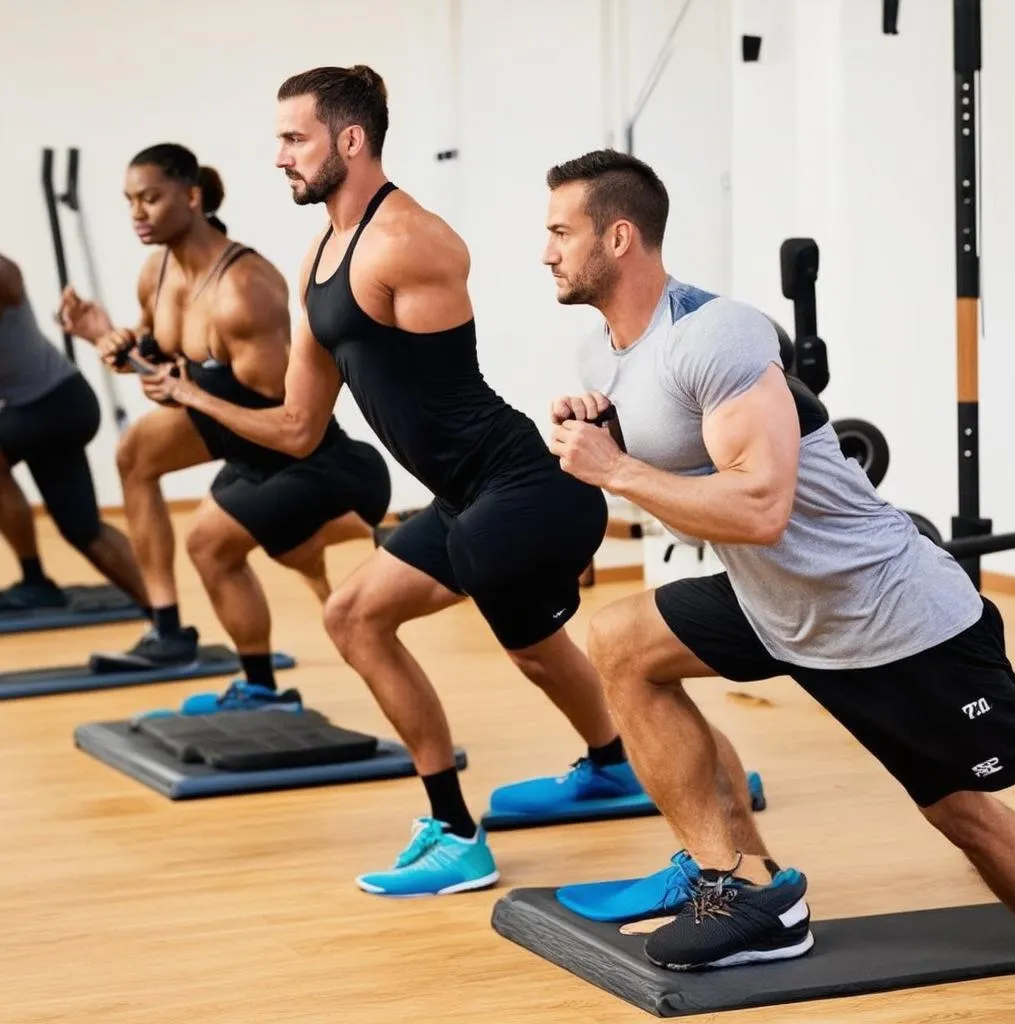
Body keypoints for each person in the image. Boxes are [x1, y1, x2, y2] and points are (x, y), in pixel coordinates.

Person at [139, 65, 767, 898]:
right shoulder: (318, 256)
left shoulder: (410, 240)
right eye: (280, 140)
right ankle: (569, 783)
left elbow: (438, 379)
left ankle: (537, 827)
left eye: (295, 138)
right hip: (472, 495)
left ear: (350, 140)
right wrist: (185, 392)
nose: (280, 157)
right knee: (443, 634)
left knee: (495, 642)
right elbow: (297, 425)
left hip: (519, 487)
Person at [542, 148, 1015, 971]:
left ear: (619, 237)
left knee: (964, 816)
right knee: (620, 642)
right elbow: (686, 469)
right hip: (778, 606)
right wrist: (610, 433)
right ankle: (741, 886)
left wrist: (614, 467)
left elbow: (760, 508)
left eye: (560, 231)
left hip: (883, 614)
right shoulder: (605, 357)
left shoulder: (717, 334)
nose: (546, 250)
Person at [59, 144, 391, 706]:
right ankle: (178, 634)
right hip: (244, 453)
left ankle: (259, 673)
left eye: (150, 198)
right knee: (141, 465)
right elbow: (156, 349)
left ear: (191, 197)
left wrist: (184, 387)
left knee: (208, 542)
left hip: (306, 460)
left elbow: (286, 418)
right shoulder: (157, 271)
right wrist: (109, 339)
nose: (137, 213)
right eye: (130, 201)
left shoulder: (244, 291)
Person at [0, 252, 147, 611]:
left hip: (56, 404)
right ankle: (162, 610)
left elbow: (9, 279)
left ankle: (35, 579)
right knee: (83, 530)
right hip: (44, 407)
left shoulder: (4, 274)